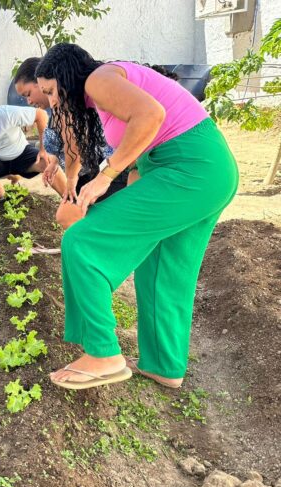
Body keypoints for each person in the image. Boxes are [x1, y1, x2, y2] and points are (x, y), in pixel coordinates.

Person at [34, 43, 238, 390]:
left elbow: (151, 115)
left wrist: (105, 177)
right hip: (205, 170)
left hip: (189, 169)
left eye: (51, 91)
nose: (51, 103)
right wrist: (122, 201)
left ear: (67, 77)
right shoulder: (105, 88)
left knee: (82, 241)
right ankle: (165, 367)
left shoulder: (98, 79)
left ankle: (103, 354)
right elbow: (144, 149)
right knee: (163, 268)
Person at [14, 57, 134, 229]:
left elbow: (75, 146)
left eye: (28, 94)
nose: (29, 101)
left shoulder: (67, 106)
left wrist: (70, 180)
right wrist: (54, 163)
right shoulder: (56, 109)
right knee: (80, 222)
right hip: (85, 176)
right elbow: (63, 142)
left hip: (104, 172)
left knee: (84, 222)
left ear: (42, 83)